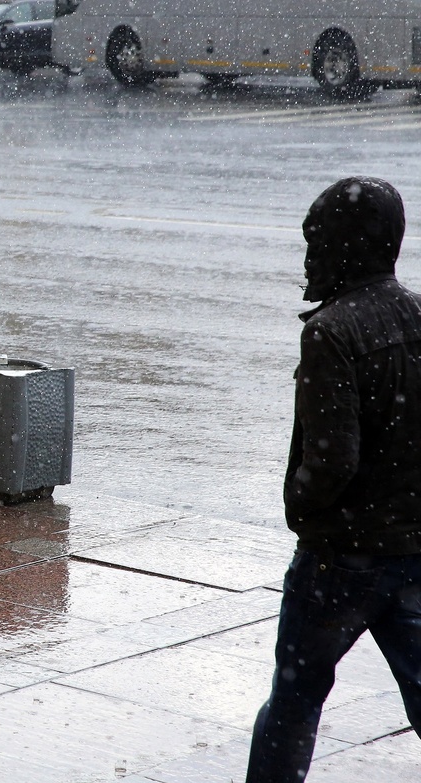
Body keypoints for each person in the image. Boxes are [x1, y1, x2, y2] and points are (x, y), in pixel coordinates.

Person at [246, 176, 421, 781]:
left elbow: (331, 461)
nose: (308, 256)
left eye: (316, 240)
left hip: (340, 558)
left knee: (294, 705)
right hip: (412, 551)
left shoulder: (332, 331)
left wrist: (302, 509)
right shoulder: (416, 316)